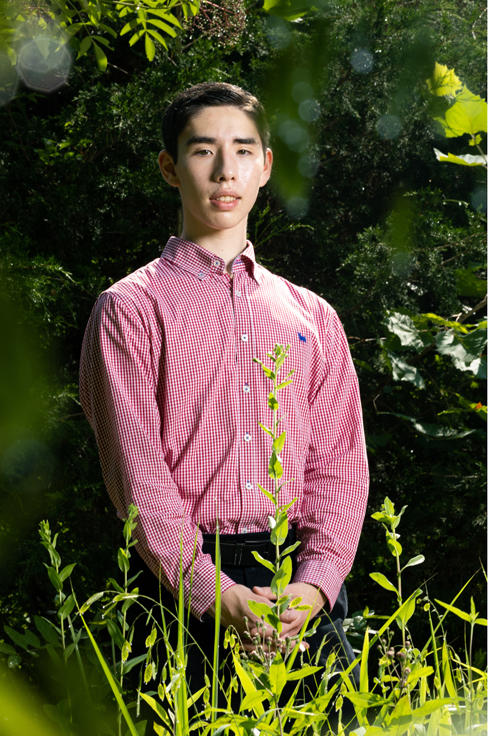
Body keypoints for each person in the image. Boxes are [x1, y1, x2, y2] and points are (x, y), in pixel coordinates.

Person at [79, 82, 368, 705]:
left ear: (266, 165)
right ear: (170, 167)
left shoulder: (311, 314)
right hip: (179, 584)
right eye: (203, 150)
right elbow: (138, 475)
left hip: (301, 585)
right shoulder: (131, 308)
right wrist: (214, 591)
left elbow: (339, 467)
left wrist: (315, 586)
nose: (224, 169)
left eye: (243, 150)